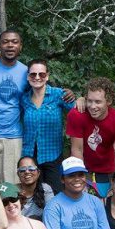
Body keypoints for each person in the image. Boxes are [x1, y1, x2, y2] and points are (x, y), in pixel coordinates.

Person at [0, 30, 74, 220]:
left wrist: (73, 95)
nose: (10, 45)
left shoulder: (26, 72)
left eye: (14, 42)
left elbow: (40, 94)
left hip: (14, 136)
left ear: (20, 46)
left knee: (12, 187)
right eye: (6, 42)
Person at [67, 77, 115, 197]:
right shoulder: (77, 115)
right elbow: (77, 150)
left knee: (107, 204)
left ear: (108, 101)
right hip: (83, 167)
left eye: (98, 102)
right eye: (89, 101)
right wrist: (79, 178)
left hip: (107, 170)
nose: (92, 106)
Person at [20, 59, 75, 192]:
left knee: (55, 193)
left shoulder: (59, 95)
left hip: (52, 155)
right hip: (29, 156)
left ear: (47, 76)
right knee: (33, 195)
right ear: (28, 76)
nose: (37, 77)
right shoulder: (23, 99)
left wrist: (81, 99)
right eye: (33, 74)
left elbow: (77, 112)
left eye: (42, 74)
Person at [16, 156, 54, 221]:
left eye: (31, 168)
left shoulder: (45, 189)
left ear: (38, 173)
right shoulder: (12, 191)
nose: (27, 172)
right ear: (18, 174)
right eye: (22, 169)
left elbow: (51, 214)